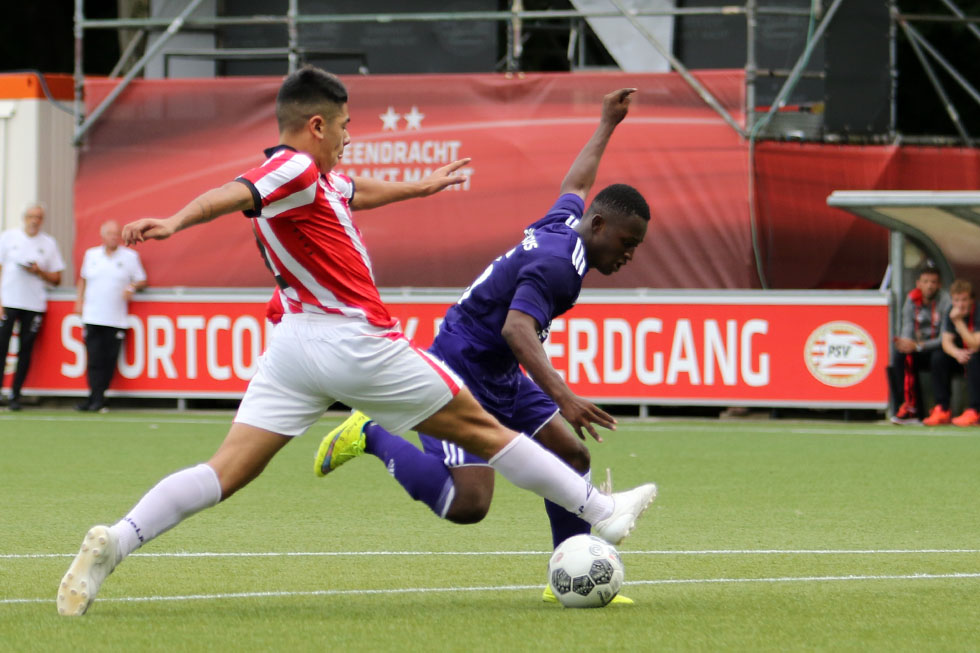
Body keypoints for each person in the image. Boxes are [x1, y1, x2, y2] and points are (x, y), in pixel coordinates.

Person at [57, 66, 657, 617]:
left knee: (225, 471)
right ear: (316, 124)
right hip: (353, 338)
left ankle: (117, 540)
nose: (349, 135)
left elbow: (356, 191)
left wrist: (420, 188)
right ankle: (602, 513)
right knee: (486, 434)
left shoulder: (319, 181)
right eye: (344, 125)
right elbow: (238, 191)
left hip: (294, 347)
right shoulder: (290, 167)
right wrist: (175, 221)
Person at [313, 89, 649, 605]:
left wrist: (607, 122)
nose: (628, 255)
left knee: (572, 455)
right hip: (460, 372)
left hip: (502, 374)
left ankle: (565, 574)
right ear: (599, 227)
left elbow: (577, 182)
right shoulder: (560, 266)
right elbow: (518, 329)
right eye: (627, 243)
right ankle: (373, 432)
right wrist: (564, 395)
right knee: (470, 504)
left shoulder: (564, 226)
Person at [74, 220, 148, 413]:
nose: (113, 237)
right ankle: (93, 397)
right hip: (93, 315)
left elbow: (141, 279)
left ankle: (100, 397)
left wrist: (131, 287)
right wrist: (79, 300)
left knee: (109, 359)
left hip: (116, 317)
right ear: (102, 235)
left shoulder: (130, 257)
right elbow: (83, 279)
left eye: (116, 234)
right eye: (110, 234)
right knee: (93, 358)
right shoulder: (91, 255)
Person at [0, 202, 65, 411]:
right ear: (24, 217)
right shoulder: (8, 237)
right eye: (31, 216)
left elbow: (56, 278)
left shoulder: (48, 243)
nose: (34, 221)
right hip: (9, 301)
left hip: (33, 303)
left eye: (38, 217)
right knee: (2, 347)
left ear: (42, 220)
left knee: (25, 351)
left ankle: (15, 394)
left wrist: (39, 271)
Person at [887, 262, 950, 425]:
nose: (929, 286)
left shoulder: (946, 301)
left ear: (939, 284)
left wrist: (918, 346)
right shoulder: (911, 300)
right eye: (926, 281)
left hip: (941, 348)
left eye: (933, 282)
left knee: (939, 357)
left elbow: (945, 337)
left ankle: (942, 409)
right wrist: (906, 342)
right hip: (917, 348)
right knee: (899, 355)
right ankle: (909, 408)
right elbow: (907, 325)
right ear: (918, 283)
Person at [922, 278, 980, 426]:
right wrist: (956, 353)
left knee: (975, 358)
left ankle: (974, 410)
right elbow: (946, 342)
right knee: (938, 357)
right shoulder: (950, 311)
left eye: (964, 300)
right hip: (962, 357)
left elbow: (975, 343)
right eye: (956, 300)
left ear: (972, 300)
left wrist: (958, 322)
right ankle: (942, 409)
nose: (960, 305)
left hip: (976, 357)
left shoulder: (977, 311)